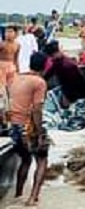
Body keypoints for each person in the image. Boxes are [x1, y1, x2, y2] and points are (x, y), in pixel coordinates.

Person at [9, 52, 50, 206]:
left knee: (25, 160)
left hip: (14, 124)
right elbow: (37, 110)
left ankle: (18, 194)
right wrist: (40, 133)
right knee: (42, 159)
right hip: (28, 125)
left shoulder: (17, 78)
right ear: (45, 66)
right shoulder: (39, 82)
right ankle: (33, 198)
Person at [42, 41, 85, 149]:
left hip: (79, 94)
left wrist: (68, 99)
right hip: (71, 93)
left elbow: (76, 83)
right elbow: (47, 76)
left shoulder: (67, 65)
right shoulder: (58, 62)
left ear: (53, 55)